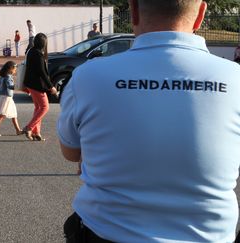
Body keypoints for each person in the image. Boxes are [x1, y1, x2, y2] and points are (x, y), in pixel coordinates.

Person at [58, 0, 240, 242]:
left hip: (104, 233)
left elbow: (71, 152)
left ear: (133, 10)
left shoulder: (87, 77)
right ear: (200, 15)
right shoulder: (235, 79)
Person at [22, 33, 57, 141]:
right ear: (44, 43)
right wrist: (51, 87)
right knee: (45, 107)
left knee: (38, 108)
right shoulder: (38, 54)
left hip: (31, 84)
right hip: (37, 85)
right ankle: (29, 127)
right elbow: (42, 72)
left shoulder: (31, 51)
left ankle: (36, 132)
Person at [0, 61, 23, 137]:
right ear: (10, 69)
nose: (15, 70)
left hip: (3, 97)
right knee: (3, 114)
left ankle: (18, 130)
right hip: (7, 98)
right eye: (14, 69)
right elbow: (10, 86)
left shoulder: (2, 77)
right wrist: (19, 86)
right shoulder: (8, 77)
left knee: (13, 114)